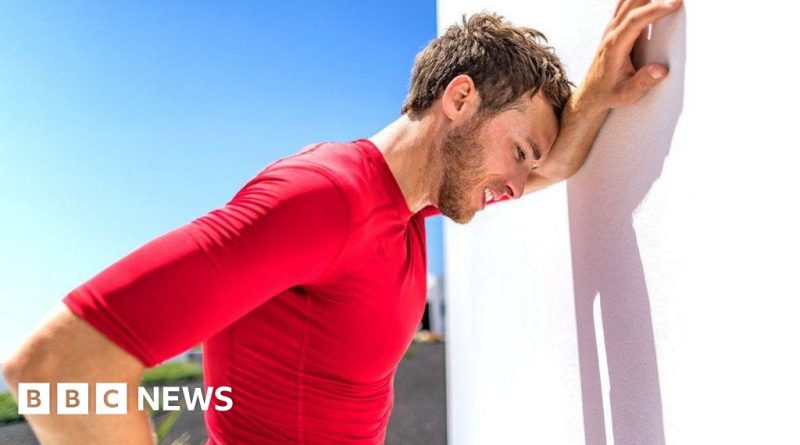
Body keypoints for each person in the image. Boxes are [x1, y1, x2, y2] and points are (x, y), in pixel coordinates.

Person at [2, 1, 683, 443]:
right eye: (518, 151)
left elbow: (552, 167)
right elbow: (57, 367)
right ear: (460, 99)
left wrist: (595, 94)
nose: (517, 183)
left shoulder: (408, 209)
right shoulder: (325, 199)